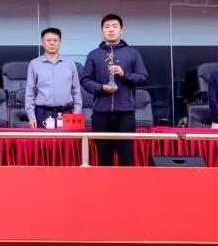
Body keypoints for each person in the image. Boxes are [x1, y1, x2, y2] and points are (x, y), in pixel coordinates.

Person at [81, 13, 149, 166]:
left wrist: (125, 74)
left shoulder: (132, 53)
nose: (111, 30)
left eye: (114, 26)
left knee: (126, 158)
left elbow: (143, 78)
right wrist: (101, 88)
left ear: (121, 31)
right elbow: (85, 80)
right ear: (102, 31)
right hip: (100, 114)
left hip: (125, 113)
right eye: (107, 27)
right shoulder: (94, 55)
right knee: (104, 158)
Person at [25, 27, 83, 128]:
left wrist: (76, 113)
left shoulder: (70, 64)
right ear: (43, 43)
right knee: (44, 139)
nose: (52, 43)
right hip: (43, 113)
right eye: (48, 40)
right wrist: (31, 116)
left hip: (66, 113)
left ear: (60, 42)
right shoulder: (34, 64)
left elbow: (76, 91)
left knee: (66, 139)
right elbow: (30, 92)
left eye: (55, 40)